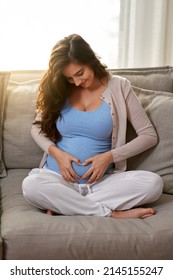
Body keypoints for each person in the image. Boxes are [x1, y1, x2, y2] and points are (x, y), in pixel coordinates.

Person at [22, 34, 163, 219]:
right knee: (31, 185)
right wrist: (58, 154)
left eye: (79, 73)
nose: (77, 82)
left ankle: (67, 205)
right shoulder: (60, 89)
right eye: (70, 78)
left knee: (153, 183)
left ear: (91, 60)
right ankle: (111, 213)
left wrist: (109, 156)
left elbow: (148, 135)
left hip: (102, 183)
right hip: (57, 178)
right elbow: (36, 128)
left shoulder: (120, 87)